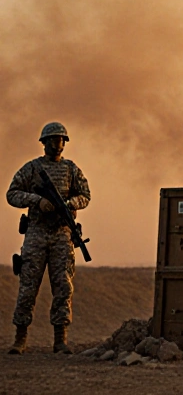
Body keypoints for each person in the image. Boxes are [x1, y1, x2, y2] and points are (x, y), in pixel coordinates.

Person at [7, 122, 92, 355]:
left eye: (62, 140)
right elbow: (12, 194)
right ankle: (20, 338)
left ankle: (60, 339)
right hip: (36, 232)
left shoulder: (71, 169)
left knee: (64, 287)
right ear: (44, 142)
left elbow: (85, 195)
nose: (58, 145)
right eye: (54, 140)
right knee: (28, 286)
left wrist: (70, 204)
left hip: (62, 233)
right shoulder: (32, 169)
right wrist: (37, 201)